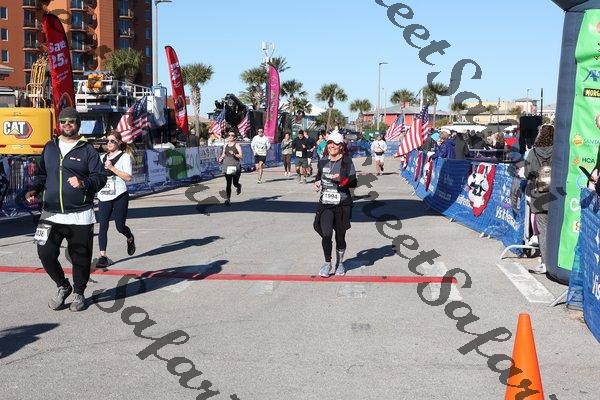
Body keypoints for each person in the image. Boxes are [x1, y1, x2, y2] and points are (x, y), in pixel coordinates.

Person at [25, 107, 107, 312]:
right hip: (50, 212)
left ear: (78, 124)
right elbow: (42, 174)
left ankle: (79, 292)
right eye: (63, 122)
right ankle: (63, 286)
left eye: (71, 121)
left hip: (80, 214)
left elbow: (100, 177)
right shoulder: (50, 147)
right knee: (45, 253)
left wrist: (84, 183)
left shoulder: (87, 149)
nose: (67, 125)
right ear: (59, 125)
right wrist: (34, 189)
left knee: (80, 258)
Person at [313, 130, 357, 277]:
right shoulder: (322, 161)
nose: (332, 146)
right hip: (325, 204)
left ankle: (340, 262)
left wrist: (342, 180)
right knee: (326, 234)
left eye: (335, 144)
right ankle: (327, 263)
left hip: (342, 205)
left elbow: (353, 181)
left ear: (341, 146)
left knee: (340, 236)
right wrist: (317, 182)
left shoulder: (346, 161)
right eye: (330, 143)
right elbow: (319, 176)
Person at [96, 131, 136, 269]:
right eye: (107, 141)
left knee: (120, 226)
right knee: (103, 226)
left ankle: (130, 237)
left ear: (119, 142)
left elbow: (128, 177)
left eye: (112, 141)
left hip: (119, 195)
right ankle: (103, 256)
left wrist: (112, 168)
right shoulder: (101, 157)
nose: (109, 143)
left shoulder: (124, 157)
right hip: (104, 195)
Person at [524, 124, 554, 274]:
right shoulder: (559, 150)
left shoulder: (533, 152)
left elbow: (527, 173)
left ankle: (545, 263)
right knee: (556, 229)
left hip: (539, 195)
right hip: (557, 195)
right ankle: (556, 261)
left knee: (542, 230)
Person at [218, 129, 243, 206]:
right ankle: (228, 199)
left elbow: (241, 156)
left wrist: (234, 154)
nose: (230, 137)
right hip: (226, 165)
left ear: (235, 137)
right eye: (229, 135)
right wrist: (221, 158)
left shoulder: (237, 145)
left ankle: (238, 186)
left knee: (234, 183)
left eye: (232, 135)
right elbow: (224, 154)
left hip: (234, 166)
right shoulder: (225, 145)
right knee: (228, 183)